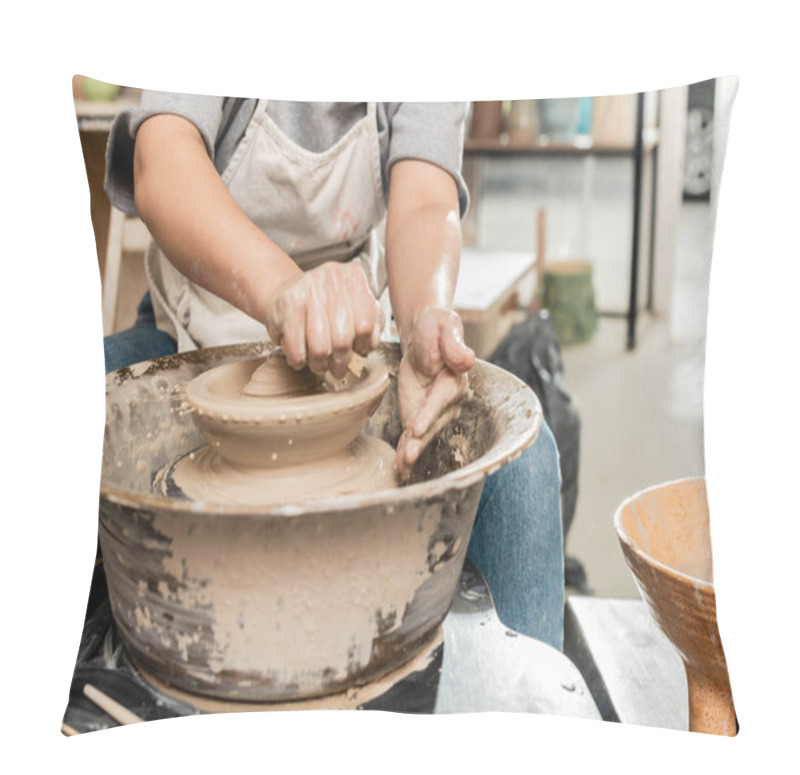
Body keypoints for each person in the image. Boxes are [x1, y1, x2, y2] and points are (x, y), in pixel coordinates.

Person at [103, 95, 565, 649]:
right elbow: (162, 162)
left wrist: (426, 320)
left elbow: (424, 201)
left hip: (353, 344)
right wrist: (284, 289)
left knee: (523, 466)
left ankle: (522, 713)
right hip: (196, 326)